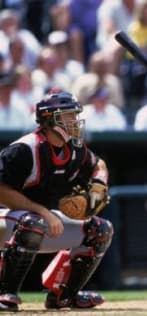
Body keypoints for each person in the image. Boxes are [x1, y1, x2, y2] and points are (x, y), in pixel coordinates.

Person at [0, 91, 113, 311]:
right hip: (8, 219)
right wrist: (44, 212)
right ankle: (5, 292)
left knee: (101, 230)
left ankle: (64, 295)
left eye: (74, 115)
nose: (74, 121)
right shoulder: (25, 148)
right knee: (33, 222)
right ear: (50, 119)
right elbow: (2, 191)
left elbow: (98, 164)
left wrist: (99, 186)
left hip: (39, 222)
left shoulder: (74, 149)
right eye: (68, 116)